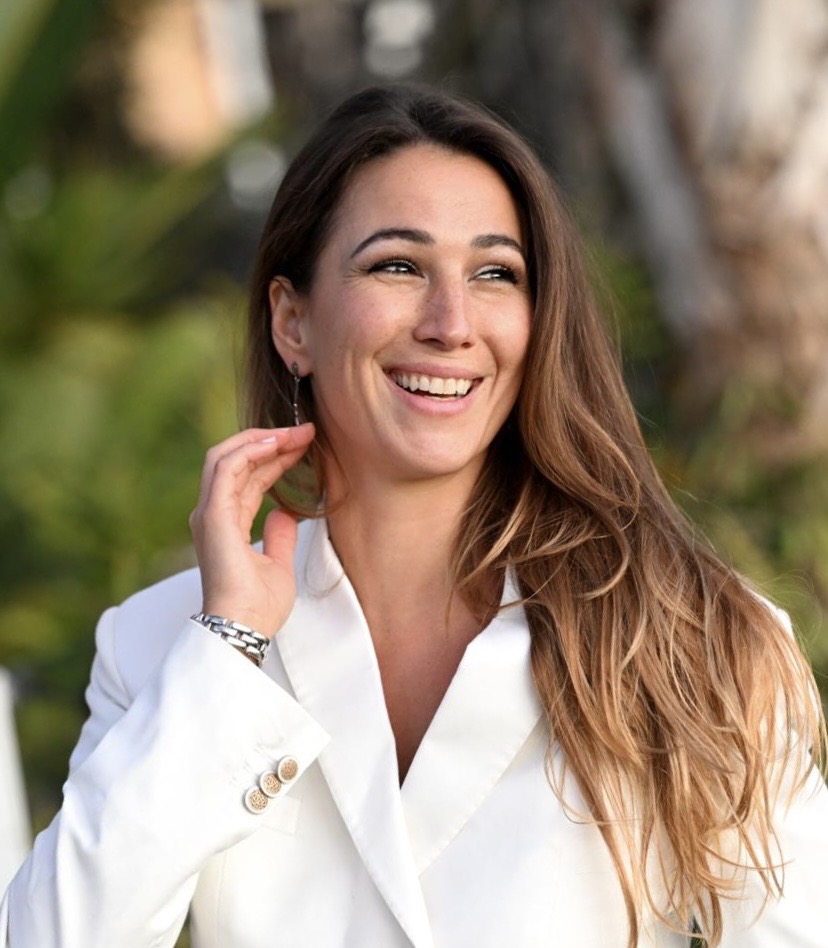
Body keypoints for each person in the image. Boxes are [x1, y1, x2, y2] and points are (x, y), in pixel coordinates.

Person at [1, 83, 827, 948]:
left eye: (495, 274)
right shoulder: (162, 645)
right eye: (397, 266)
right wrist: (230, 647)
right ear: (293, 321)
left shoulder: (692, 637)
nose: (451, 323)